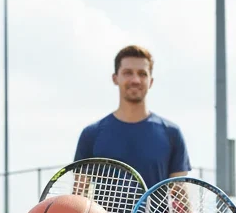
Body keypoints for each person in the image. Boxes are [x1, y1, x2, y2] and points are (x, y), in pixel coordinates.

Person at [74, 46, 191, 190]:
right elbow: (79, 194)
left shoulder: (172, 133)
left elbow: (180, 196)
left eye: (142, 74)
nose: (135, 80)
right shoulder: (91, 134)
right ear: (115, 78)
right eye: (128, 73)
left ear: (151, 81)